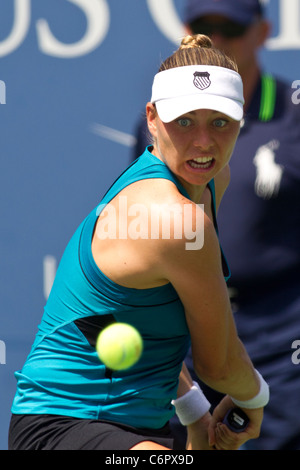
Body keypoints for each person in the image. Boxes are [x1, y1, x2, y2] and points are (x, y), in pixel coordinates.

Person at [8, 34, 269, 451]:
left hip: (137, 426)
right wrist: (256, 398)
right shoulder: (175, 219)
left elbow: (119, 319)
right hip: (64, 426)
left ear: (241, 121)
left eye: (220, 121)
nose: (203, 142)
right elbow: (218, 365)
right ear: (151, 118)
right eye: (184, 121)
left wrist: (194, 410)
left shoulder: (209, 182)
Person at [134, 0, 300, 450]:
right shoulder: (159, 128)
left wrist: (256, 391)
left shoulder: (294, 113)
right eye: (209, 27)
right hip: (184, 338)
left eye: (232, 28)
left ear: (263, 32)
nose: (220, 39)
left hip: (282, 341)